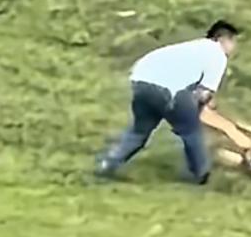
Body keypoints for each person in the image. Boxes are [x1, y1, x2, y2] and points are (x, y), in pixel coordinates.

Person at [95, 20, 239, 184]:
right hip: (170, 89)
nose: (234, 47)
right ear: (222, 39)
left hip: (140, 82)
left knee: (138, 132)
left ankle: (108, 163)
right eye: (233, 41)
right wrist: (194, 114)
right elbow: (204, 93)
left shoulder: (190, 47)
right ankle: (200, 174)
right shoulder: (217, 54)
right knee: (191, 132)